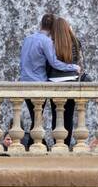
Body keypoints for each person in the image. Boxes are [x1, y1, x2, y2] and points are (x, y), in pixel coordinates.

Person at [18, 13, 80, 149]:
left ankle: (37, 144)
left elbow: (22, 61)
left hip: (24, 81)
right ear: (52, 29)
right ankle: (39, 144)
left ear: (41, 24)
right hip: (39, 83)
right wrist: (73, 67)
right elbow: (54, 63)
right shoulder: (46, 42)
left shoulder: (28, 39)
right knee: (38, 116)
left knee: (35, 116)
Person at [48, 16, 83, 147]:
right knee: (68, 114)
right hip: (71, 81)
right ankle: (66, 144)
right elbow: (79, 59)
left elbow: (49, 62)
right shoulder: (74, 41)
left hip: (54, 82)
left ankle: (57, 143)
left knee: (56, 114)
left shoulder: (51, 42)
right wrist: (72, 33)